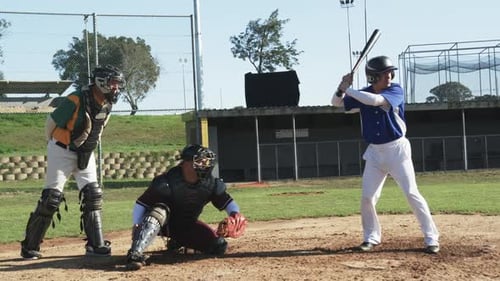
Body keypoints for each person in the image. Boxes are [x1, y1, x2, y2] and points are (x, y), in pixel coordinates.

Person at [331, 56, 440, 254]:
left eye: (391, 72)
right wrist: (341, 88)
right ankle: (371, 237)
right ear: (373, 77)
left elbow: (375, 101)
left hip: (397, 150)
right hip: (374, 153)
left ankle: (431, 238)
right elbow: (336, 103)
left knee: (411, 193)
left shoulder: (395, 90)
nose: (389, 76)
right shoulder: (362, 94)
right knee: (367, 197)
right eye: (384, 74)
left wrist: (348, 88)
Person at [20, 65, 126, 259]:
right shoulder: (76, 98)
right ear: (101, 82)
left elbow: (100, 128)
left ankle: (96, 245)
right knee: (51, 198)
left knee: (93, 194)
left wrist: (88, 148)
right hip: (62, 149)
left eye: (118, 84)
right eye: (113, 83)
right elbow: (51, 122)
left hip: (86, 152)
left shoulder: (108, 103)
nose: (116, 88)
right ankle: (30, 246)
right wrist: (51, 144)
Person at [125, 144, 247, 270]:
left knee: (218, 246)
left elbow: (227, 202)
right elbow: (142, 203)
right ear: (185, 163)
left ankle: (179, 242)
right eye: (199, 162)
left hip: (187, 225)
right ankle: (135, 254)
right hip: (164, 225)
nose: (204, 165)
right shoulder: (166, 182)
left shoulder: (210, 184)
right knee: (160, 211)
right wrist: (137, 224)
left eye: (206, 162)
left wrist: (234, 215)